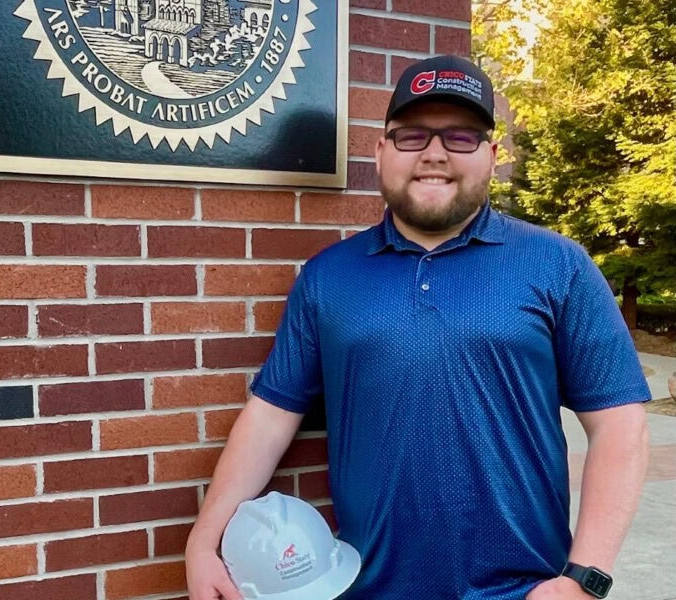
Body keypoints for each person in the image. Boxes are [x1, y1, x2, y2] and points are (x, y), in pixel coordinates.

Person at [185, 55, 650, 600]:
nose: (434, 153)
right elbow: (270, 417)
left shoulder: (558, 266)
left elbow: (620, 427)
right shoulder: (328, 276)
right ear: (381, 153)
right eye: (411, 136)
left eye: (460, 136)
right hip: (363, 586)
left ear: (492, 156)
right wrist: (204, 540)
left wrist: (583, 579)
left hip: (523, 591)